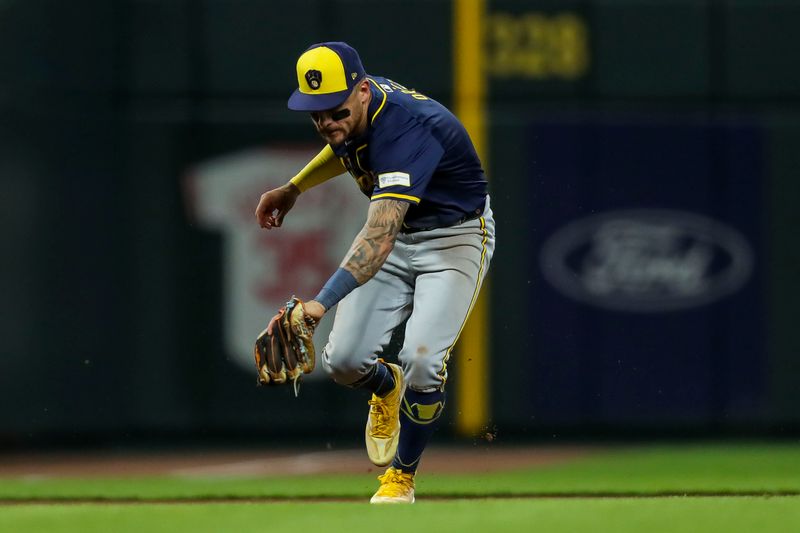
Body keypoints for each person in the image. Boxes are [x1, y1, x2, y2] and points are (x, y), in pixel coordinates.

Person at [255, 41, 495, 504]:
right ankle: (385, 387)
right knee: (344, 362)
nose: (327, 122)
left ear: (363, 92)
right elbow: (343, 147)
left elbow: (379, 236)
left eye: (335, 111)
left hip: (454, 238)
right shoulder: (357, 109)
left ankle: (400, 478)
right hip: (398, 235)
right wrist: (295, 187)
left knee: (423, 359)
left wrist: (318, 304)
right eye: (316, 114)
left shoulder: (407, 129)